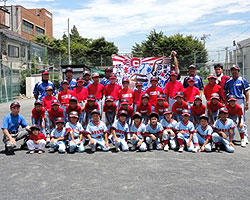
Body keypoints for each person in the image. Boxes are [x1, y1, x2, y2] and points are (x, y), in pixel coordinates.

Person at [224, 65, 249, 143]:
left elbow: (246, 92)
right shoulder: (228, 81)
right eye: (233, 70)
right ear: (231, 72)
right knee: (229, 118)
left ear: (238, 71)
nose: (234, 72)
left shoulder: (242, 80)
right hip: (231, 100)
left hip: (240, 100)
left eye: (236, 70)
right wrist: (225, 101)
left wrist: (247, 102)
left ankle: (244, 137)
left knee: (241, 119)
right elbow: (225, 92)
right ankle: (229, 136)